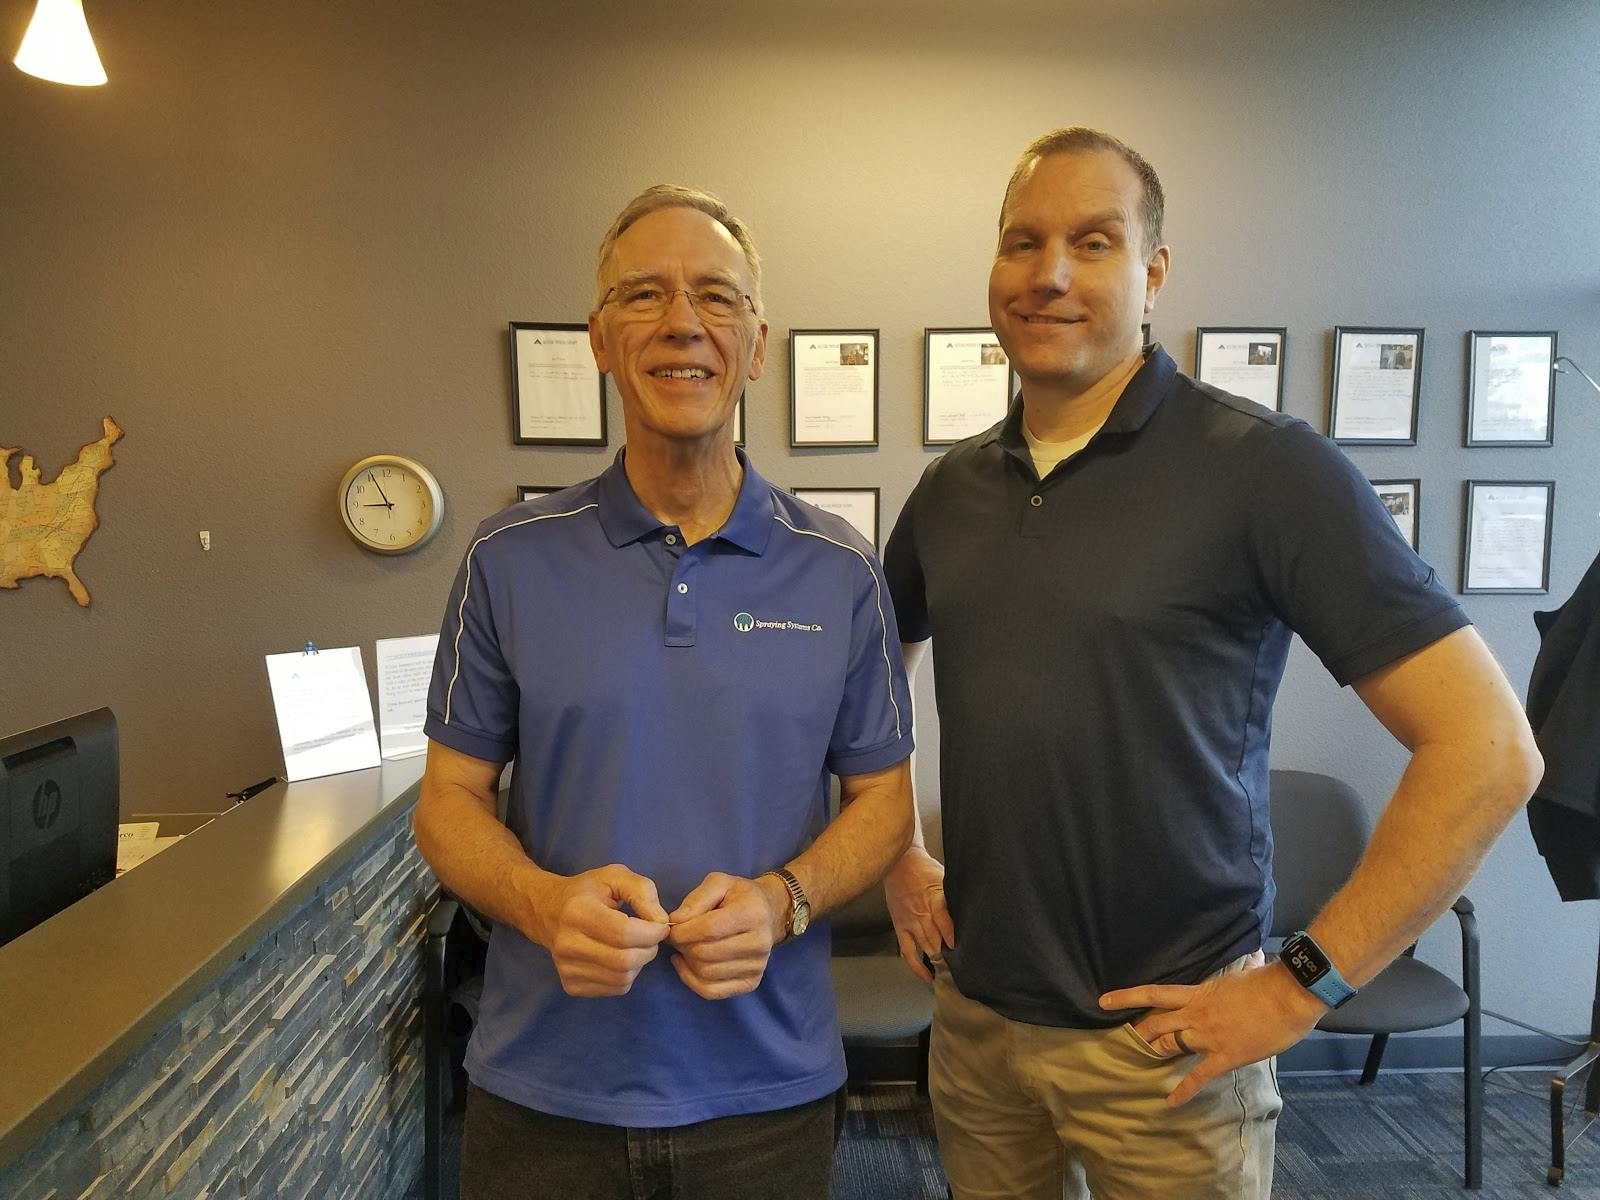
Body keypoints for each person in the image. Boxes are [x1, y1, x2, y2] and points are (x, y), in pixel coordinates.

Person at [881, 127, 1543, 1200]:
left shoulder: (1265, 470)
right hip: (977, 1022)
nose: (1050, 273)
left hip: (1170, 1044)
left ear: (1153, 273)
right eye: (1023, 242)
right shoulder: (951, 490)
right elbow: (873, 677)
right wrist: (899, 854)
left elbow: (1489, 749)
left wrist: (1301, 985)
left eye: (1093, 242)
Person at [413, 183, 915, 1200]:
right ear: (600, 340)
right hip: (545, 1091)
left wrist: (783, 901)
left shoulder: (840, 568)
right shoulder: (509, 557)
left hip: (766, 1096)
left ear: (757, 344)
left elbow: (885, 803)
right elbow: (447, 801)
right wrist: (541, 903)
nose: (682, 321)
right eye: (643, 294)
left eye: (716, 296)